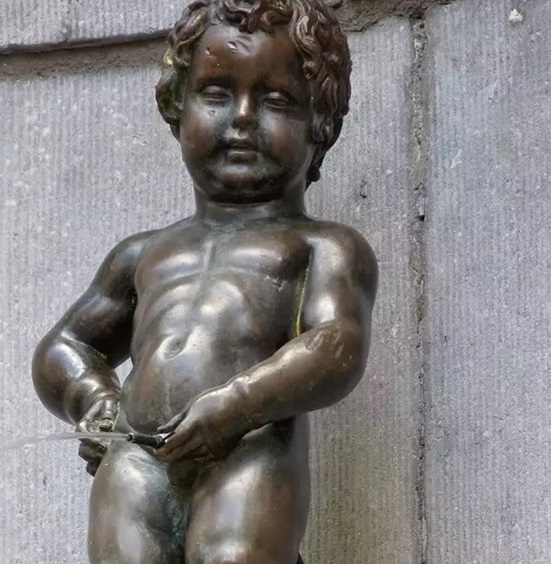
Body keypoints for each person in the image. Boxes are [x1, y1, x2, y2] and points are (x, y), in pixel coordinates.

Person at [32, 1, 377, 562]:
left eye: (275, 100)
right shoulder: (144, 254)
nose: (242, 118)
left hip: (251, 444)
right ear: (177, 104)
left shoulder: (323, 246)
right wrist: (92, 399)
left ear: (320, 122)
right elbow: (66, 346)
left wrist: (239, 404)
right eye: (216, 94)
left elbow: (338, 344)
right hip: (138, 452)